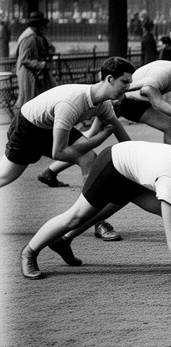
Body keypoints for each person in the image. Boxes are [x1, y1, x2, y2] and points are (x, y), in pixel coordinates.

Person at [20, 144, 171, 297]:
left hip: (137, 171)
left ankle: (63, 242)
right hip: (114, 164)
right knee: (77, 216)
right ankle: (29, 253)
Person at [1, 59, 136, 244]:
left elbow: (123, 137)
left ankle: (96, 221)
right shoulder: (71, 103)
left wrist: (137, 163)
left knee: (90, 158)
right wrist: (101, 137)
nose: (128, 87)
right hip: (28, 127)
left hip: (53, 125)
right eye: (125, 82)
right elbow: (59, 153)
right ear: (110, 79)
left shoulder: (104, 104)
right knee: (6, 176)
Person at [14, 11, 56, 111]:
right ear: (37, 24)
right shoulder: (29, 37)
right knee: (28, 102)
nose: (44, 27)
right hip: (28, 74)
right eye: (42, 24)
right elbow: (25, 59)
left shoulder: (37, 35)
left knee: (44, 97)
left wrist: (49, 50)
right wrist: (41, 64)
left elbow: (46, 48)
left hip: (37, 73)